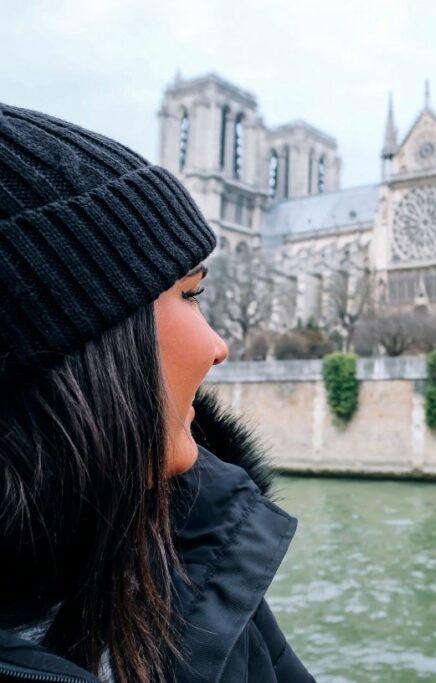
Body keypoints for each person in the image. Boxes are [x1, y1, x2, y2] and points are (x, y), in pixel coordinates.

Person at [0, 102, 314, 682]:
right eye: (190, 295)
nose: (219, 347)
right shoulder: (196, 565)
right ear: (76, 346)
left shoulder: (199, 559)